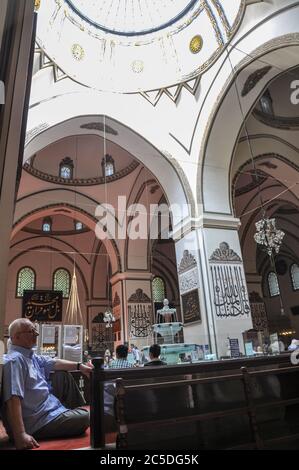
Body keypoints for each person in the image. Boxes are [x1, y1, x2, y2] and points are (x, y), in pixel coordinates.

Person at [2, 318, 93, 450]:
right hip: (37, 421)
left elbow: (54, 362)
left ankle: (68, 415)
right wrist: (20, 434)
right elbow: (13, 398)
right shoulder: (15, 361)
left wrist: (80, 366)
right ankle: (70, 416)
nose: (36, 334)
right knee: (85, 417)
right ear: (16, 337)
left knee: (63, 375)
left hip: (47, 408)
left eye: (35, 331)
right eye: (31, 331)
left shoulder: (29, 356)